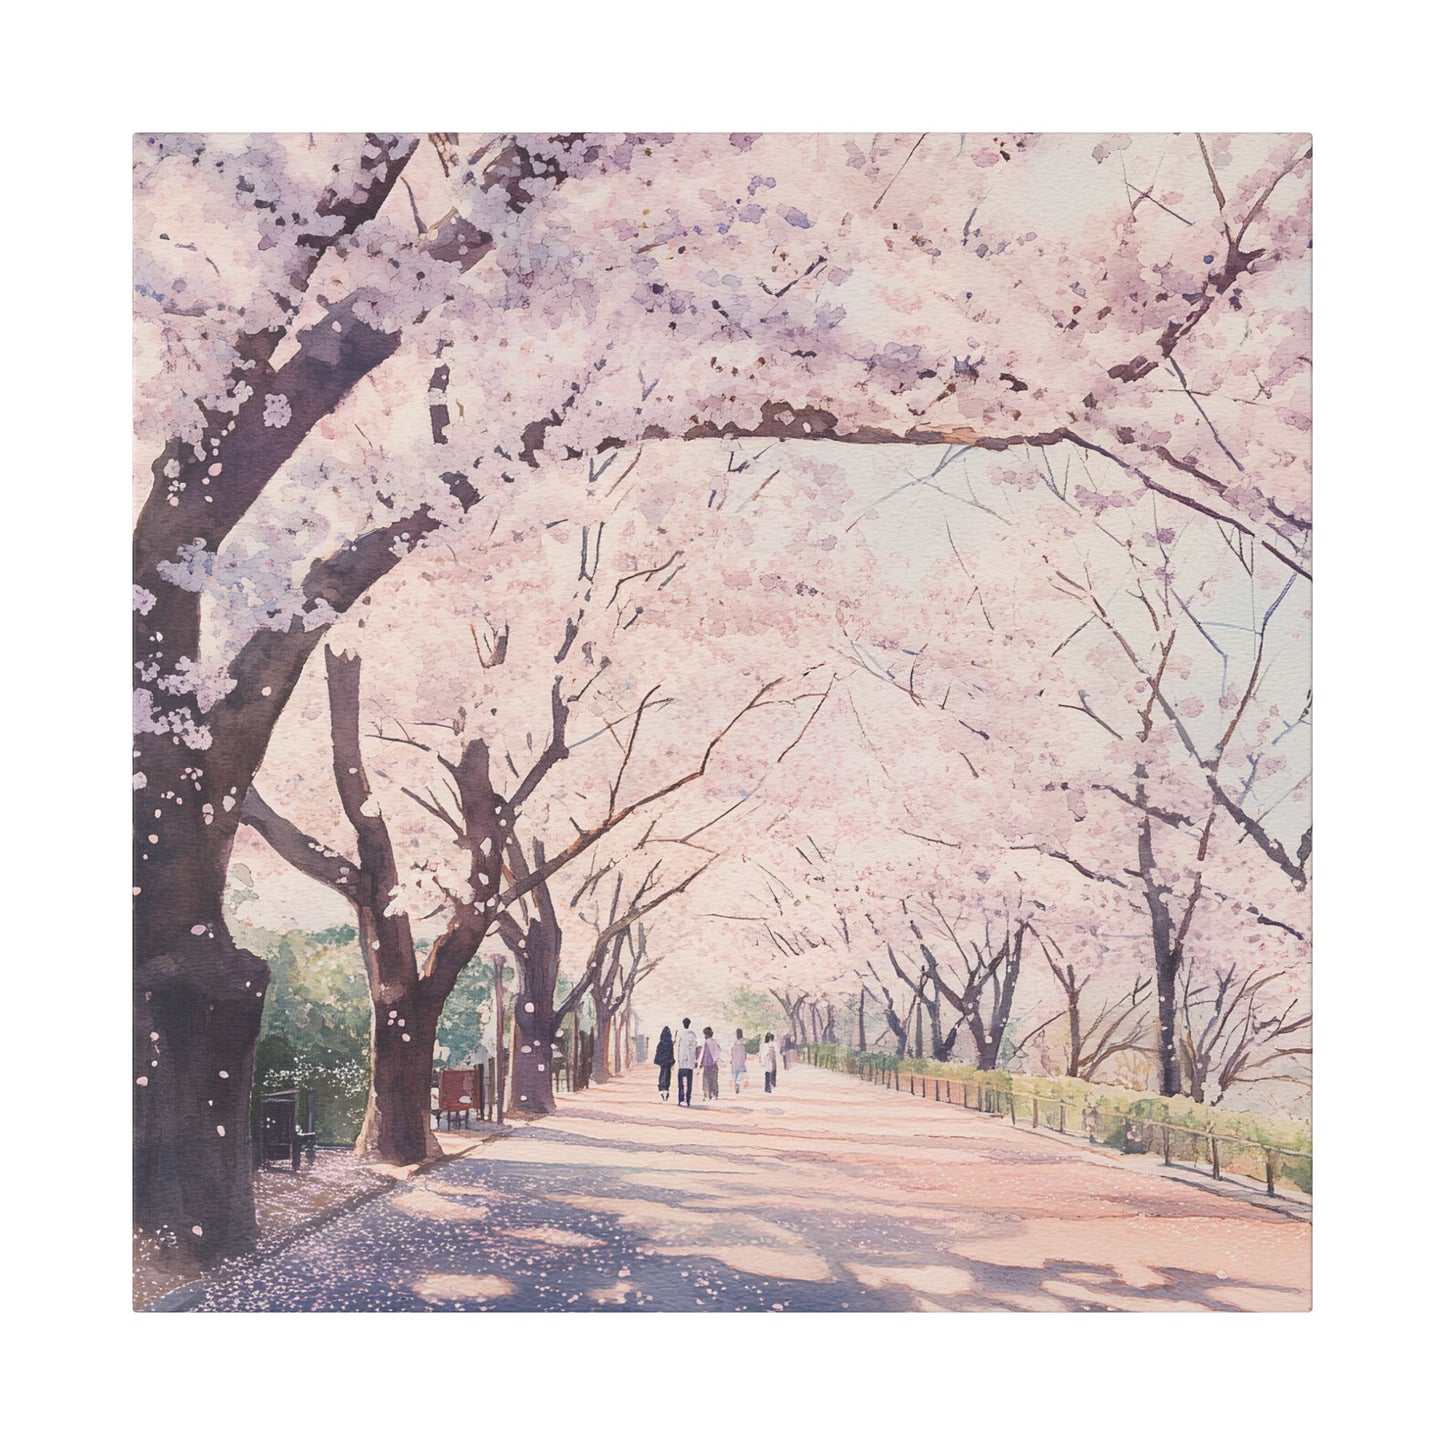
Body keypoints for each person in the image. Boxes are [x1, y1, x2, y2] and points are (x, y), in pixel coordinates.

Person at [675, 1017, 698, 1106]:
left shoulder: (680, 1034)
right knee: (689, 1082)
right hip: (690, 1062)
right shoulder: (692, 1035)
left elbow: (677, 1047)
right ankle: (688, 1099)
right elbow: (694, 1049)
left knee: (680, 1082)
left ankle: (680, 1099)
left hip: (681, 1062)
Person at [699, 1026, 721, 1100]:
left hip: (707, 1064)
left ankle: (707, 1095)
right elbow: (718, 1052)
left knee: (706, 1080)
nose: (705, 1036)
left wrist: (700, 1064)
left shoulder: (706, 1043)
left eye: (705, 1034)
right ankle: (715, 1094)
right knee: (714, 1080)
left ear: (707, 1035)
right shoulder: (715, 1042)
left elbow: (703, 1054)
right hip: (714, 1064)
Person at [653, 1025, 675, 1101]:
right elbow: (672, 1053)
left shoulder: (661, 1043)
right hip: (668, 1062)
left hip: (663, 1063)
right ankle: (666, 1089)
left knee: (662, 1074)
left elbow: (658, 1052)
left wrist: (658, 1060)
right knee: (668, 1075)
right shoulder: (670, 1044)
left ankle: (662, 1089)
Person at [729, 1028, 749, 1094]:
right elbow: (744, 1055)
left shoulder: (734, 1045)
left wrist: (731, 1059)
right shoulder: (743, 1046)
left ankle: (735, 1083)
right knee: (740, 1074)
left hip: (734, 1062)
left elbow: (731, 1054)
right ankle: (737, 1083)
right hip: (740, 1062)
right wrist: (744, 1060)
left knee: (734, 1074)